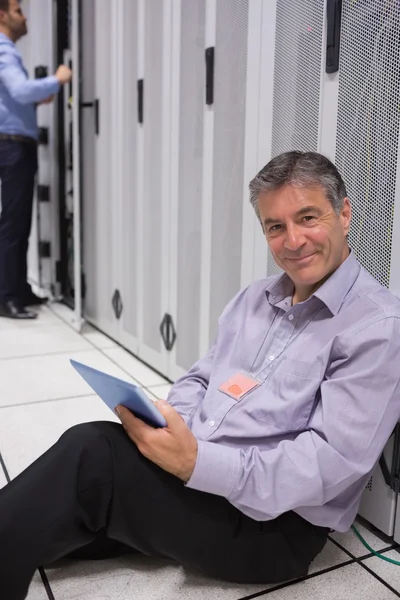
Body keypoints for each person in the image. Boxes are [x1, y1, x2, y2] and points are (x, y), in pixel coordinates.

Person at [1, 151, 400, 599]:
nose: (293, 241)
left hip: (271, 529)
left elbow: (328, 463)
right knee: (68, 502)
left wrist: (196, 464)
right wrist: (177, 434)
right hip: (202, 478)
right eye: (275, 226)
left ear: (344, 213)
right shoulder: (255, 298)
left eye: (308, 217)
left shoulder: (376, 327)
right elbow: (199, 377)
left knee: (93, 454)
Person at [0, 0, 72, 320]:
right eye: (18, 10)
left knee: (20, 221)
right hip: (12, 146)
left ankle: (18, 288)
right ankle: (6, 297)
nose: (24, 15)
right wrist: (57, 79)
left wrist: (37, 96)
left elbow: (14, 98)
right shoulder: (4, 49)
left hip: (14, 144)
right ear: (2, 15)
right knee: (14, 224)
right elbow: (20, 90)